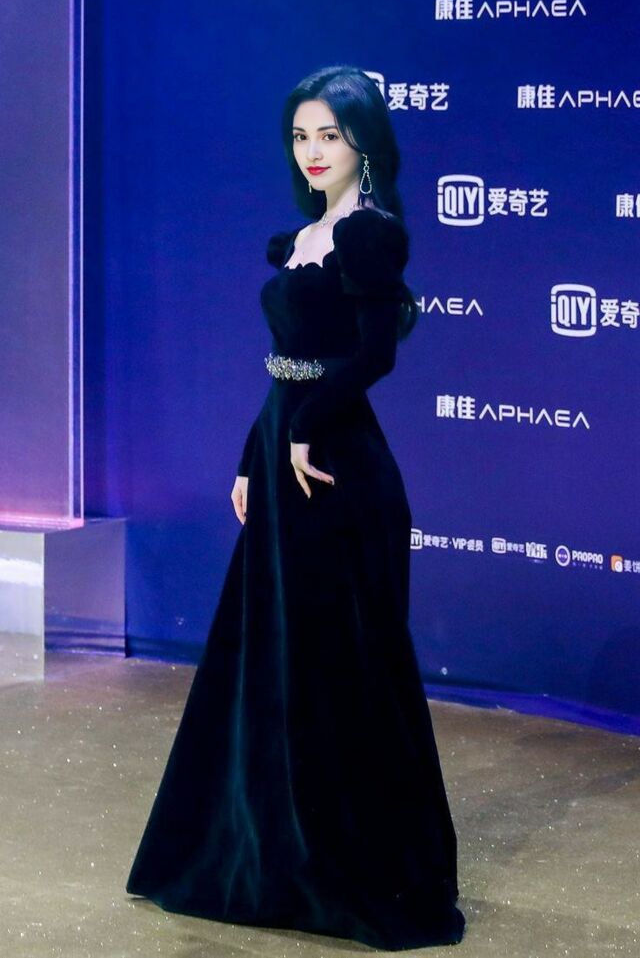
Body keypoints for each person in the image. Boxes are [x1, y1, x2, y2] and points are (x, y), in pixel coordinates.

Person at [125, 65, 466, 949]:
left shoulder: (369, 233)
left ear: (364, 143)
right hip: (287, 465)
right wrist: (255, 454)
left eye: (330, 135)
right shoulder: (308, 235)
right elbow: (285, 364)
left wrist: (305, 430)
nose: (313, 151)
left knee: (343, 662)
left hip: (338, 473)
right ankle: (272, 847)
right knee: (278, 660)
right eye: (301, 136)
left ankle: (355, 857)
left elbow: (374, 355)